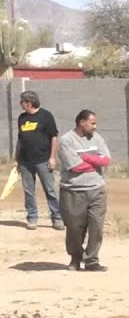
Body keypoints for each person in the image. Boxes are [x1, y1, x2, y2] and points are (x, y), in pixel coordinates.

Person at [56, 109, 111, 272]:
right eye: (92, 123)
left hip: (97, 190)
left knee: (96, 227)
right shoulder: (66, 140)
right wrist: (95, 161)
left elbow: (106, 160)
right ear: (82, 123)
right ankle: (75, 258)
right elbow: (76, 166)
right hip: (73, 191)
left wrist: (87, 158)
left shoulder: (97, 138)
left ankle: (92, 260)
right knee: (74, 228)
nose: (95, 126)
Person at [14, 91, 63, 231]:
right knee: (28, 191)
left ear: (29, 103)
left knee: (50, 190)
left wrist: (52, 157)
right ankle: (32, 218)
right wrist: (17, 158)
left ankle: (57, 218)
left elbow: (54, 137)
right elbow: (20, 140)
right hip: (25, 162)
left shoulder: (46, 116)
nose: (20, 104)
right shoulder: (21, 118)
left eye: (22, 102)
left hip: (43, 160)